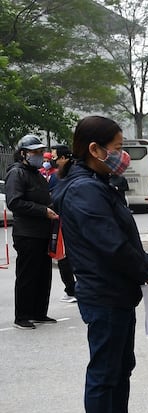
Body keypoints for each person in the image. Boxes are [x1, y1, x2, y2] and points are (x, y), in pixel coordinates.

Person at [52, 115, 148, 413]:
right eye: (118, 148)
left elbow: (125, 237)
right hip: (102, 292)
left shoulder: (98, 181)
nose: (123, 156)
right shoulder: (82, 190)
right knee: (104, 371)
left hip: (117, 290)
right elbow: (110, 244)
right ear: (94, 149)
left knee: (122, 367)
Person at [5, 134, 58, 329]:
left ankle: (39, 312)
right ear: (23, 154)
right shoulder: (16, 173)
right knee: (28, 275)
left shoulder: (36, 174)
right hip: (27, 233)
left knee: (44, 274)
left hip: (43, 231)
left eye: (39, 152)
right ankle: (23, 315)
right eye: (34, 152)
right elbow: (15, 202)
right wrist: (43, 211)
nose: (38, 156)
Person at [49, 144, 78, 303]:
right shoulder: (59, 174)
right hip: (65, 220)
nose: (51, 161)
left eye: (54, 157)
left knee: (65, 257)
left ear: (63, 158)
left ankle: (72, 290)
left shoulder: (66, 175)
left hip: (67, 222)